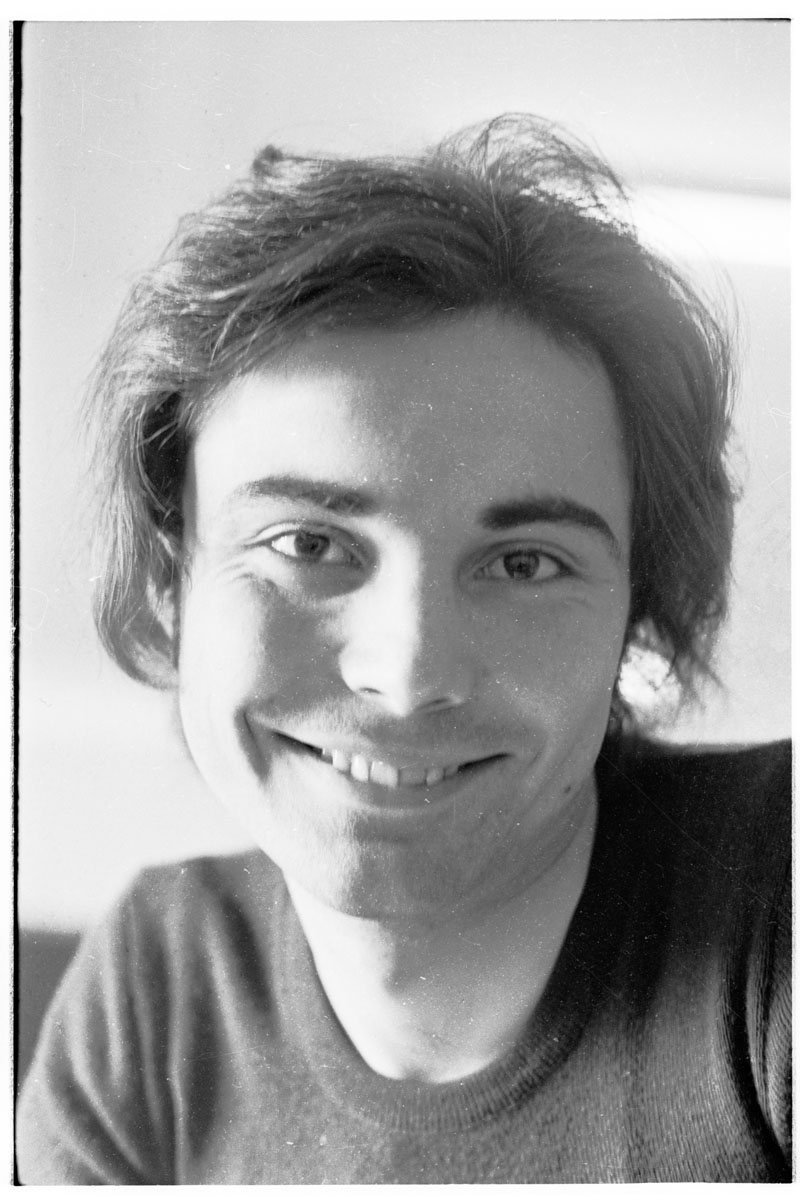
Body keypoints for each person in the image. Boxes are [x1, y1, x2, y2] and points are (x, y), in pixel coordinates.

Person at [17, 114, 790, 1184]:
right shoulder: (154, 997)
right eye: (307, 545)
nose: (409, 672)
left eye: (524, 563)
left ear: (634, 609)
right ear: (169, 578)